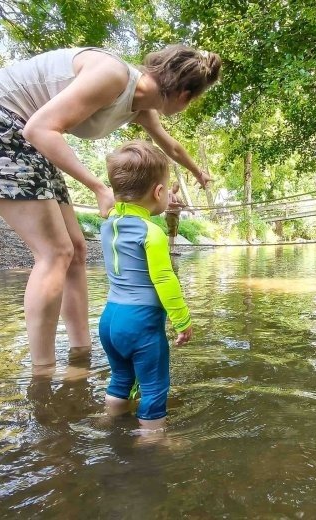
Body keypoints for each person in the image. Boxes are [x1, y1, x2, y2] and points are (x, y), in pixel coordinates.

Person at [0, 45, 219, 369]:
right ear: (186, 96)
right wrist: (99, 188)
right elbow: (39, 128)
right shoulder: (113, 74)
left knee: (76, 249)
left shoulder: (142, 106)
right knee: (55, 253)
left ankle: (80, 356)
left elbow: (169, 144)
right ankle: (42, 374)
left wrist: (197, 171)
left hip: (25, 136)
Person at [98, 141, 193, 430]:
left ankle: (108, 421)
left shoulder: (108, 226)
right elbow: (164, 279)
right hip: (140, 323)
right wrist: (182, 320)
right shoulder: (152, 231)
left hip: (110, 320)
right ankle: (153, 441)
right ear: (159, 192)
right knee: (154, 386)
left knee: (121, 378)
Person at [165, 181, 185, 255]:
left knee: (175, 232)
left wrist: (185, 207)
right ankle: (171, 249)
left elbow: (182, 204)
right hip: (170, 215)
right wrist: (179, 205)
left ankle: (174, 249)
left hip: (176, 216)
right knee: (172, 232)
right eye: (176, 187)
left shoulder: (176, 195)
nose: (177, 189)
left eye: (178, 188)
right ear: (173, 186)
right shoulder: (169, 193)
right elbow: (170, 203)